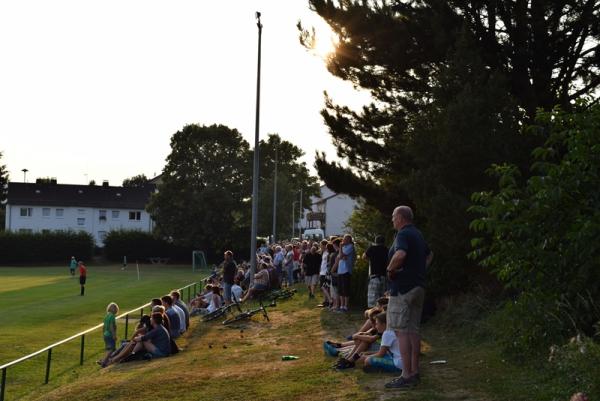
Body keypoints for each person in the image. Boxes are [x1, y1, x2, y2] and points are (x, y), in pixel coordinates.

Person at [385, 206, 433, 389]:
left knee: (401, 331)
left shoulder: (403, 234)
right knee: (413, 330)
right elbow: (429, 255)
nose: (392, 220)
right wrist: (418, 271)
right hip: (418, 287)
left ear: (400, 218)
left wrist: (390, 270)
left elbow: (400, 254)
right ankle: (414, 372)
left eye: (393, 217)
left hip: (403, 289)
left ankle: (405, 375)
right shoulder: (417, 234)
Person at [364, 235, 389, 307]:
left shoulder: (372, 248)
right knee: (382, 299)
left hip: (374, 277)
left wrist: (370, 260)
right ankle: (381, 314)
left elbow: (364, 256)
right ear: (384, 242)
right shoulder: (386, 249)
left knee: (373, 300)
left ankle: (373, 315)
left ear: (375, 241)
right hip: (384, 276)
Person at [337, 235, 356, 312]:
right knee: (341, 289)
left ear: (349, 240)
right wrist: (342, 254)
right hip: (340, 270)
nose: (343, 241)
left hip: (346, 270)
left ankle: (345, 306)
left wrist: (341, 249)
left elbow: (341, 255)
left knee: (346, 288)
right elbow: (339, 257)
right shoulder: (344, 247)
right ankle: (341, 305)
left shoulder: (350, 246)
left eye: (345, 239)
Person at [98, 302, 119, 367]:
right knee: (111, 349)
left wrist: (103, 333)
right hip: (110, 335)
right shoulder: (112, 316)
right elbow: (111, 326)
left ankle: (106, 360)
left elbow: (104, 326)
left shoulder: (106, 316)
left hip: (105, 334)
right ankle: (104, 361)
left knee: (108, 348)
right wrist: (114, 335)